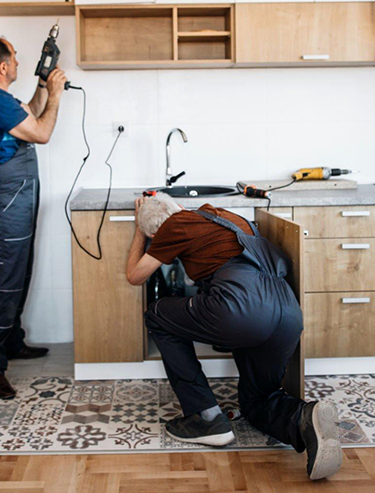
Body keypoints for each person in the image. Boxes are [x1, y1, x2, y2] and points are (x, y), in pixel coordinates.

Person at [125, 192, 343, 481]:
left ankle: (205, 417)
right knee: (257, 401)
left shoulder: (173, 225)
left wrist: (140, 232)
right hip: (287, 313)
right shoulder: (224, 216)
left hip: (241, 309)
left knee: (157, 315)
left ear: (157, 231)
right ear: (178, 206)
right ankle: (304, 418)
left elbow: (134, 275)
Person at [0, 35, 68, 399]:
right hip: (4, 205)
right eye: (16, 59)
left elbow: (29, 112)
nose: (19, 64)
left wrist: (42, 80)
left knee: (17, 275)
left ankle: (11, 342)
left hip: (15, 202)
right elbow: (40, 131)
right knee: (1, 283)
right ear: (4, 66)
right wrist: (56, 94)